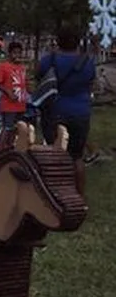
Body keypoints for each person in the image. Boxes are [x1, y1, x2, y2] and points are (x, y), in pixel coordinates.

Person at [37, 27, 96, 196]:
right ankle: (79, 198)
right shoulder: (88, 63)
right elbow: (90, 85)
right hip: (81, 113)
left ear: (58, 41)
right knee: (77, 157)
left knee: (55, 155)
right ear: (78, 42)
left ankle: (56, 196)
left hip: (55, 112)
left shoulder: (49, 60)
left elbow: (41, 80)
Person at [0, 41, 28, 145]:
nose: (17, 56)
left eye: (19, 53)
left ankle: (9, 148)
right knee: (7, 128)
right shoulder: (3, 66)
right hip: (9, 104)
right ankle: (0, 150)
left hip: (20, 104)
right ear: (9, 53)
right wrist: (8, 92)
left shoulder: (22, 67)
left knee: (16, 129)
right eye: (14, 53)